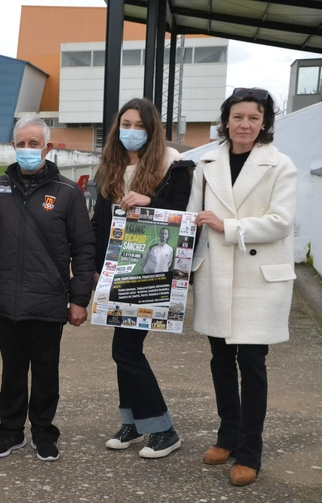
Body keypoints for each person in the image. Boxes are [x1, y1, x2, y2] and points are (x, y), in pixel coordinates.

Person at [0, 117, 94, 461]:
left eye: (33, 144)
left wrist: (79, 299)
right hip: (6, 297)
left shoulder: (68, 193)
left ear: (48, 148)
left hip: (49, 299)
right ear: (14, 146)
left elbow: (84, 249)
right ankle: (10, 432)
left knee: (45, 370)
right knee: (12, 370)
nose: (27, 150)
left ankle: (44, 432)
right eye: (21, 143)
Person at [187, 88, 297, 486]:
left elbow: (281, 221)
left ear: (265, 122)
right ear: (226, 120)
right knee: (220, 359)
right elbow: (191, 216)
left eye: (254, 117)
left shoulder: (280, 165)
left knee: (252, 366)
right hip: (216, 273)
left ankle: (250, 452)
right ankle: (227, 436)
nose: (245, 124)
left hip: (257, 281)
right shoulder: (207, 161)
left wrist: (228, 226)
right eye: (238, 116)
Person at [92, 98, 194, 459]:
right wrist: (93, 268)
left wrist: (148, 200)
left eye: (139, 125)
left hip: (153, 277)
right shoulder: (111, 169)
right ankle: (134, 422)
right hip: (118, 273)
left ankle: (164, 429)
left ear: (151, 130)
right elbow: (98, 223)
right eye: (125, 123)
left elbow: (183, 215)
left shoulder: (174, 166)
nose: (130, 131)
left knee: (126, 351)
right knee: (124, 351)